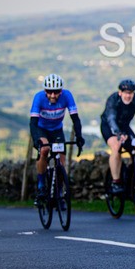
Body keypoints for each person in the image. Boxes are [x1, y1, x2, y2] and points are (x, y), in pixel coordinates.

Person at [29, 74, 85, 206]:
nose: (53, 95)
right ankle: (41, 185)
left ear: (61, 91)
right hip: (41, 129)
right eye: (49, 92)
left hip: (57, 130)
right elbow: (33, 123)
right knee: (45, 149)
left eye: (56, 92)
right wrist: (36, 139)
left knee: (61, 161)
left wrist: (79, 136)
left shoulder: (67, 96)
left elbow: (75, 119)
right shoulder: (38, 98)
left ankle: (59, 193)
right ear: (45, 91)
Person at [100, 79, 135, 194]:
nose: (128, 96)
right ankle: (116, 182)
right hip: (109, 127)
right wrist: (118, 133)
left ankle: (130, 181)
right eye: (126, 93)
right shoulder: (113, 100)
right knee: (116, 147)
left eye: (130, 93)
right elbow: (111, 118)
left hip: (124, 127)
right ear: (120, 93)